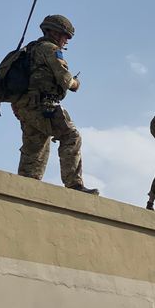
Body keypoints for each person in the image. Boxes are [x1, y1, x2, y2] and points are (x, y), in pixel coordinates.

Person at [11, 14, 97, 194]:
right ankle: (74, 184)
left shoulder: (30, 49)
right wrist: (76, 83)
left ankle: (25, 189)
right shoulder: (50, 50)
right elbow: (66, 80)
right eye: (65, 36)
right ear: (54, 33)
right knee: (71, 136)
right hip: (44, 105)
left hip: (25, 106)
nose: (66, 40)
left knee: (35, 148)